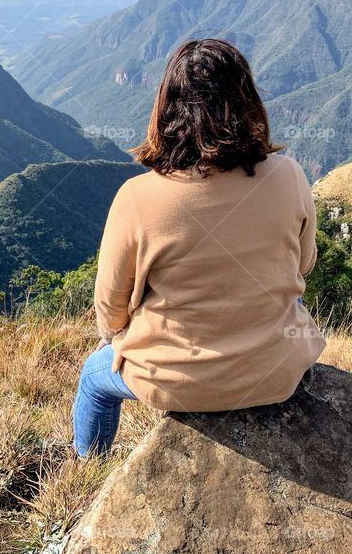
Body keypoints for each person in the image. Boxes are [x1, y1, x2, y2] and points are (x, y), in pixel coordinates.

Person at [72, 38, 325, 457]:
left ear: (166, 108)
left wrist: (115, 339)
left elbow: (111, 309)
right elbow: (304, 263)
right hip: (277, 369)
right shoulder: (290, 175)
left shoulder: (138, 198)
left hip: (174, 379)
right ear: (247, 102)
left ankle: (86, 466)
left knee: (93, 380)